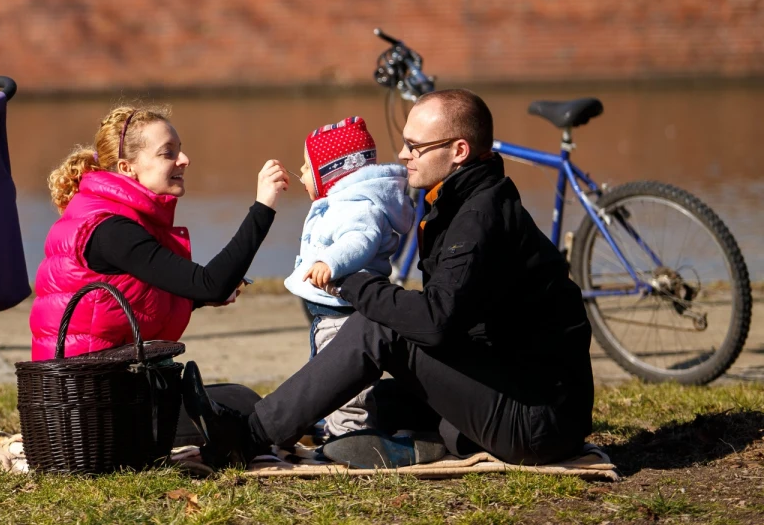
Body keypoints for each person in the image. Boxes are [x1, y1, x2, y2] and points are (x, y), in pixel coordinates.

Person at [185, 89, 594, 469]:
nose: (401, 154)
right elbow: (454, 319)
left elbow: (434, 323)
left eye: (415, 146)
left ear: (459, 151)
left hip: (535, 420)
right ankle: (419, 442)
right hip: (512, 388)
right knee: (370, 402)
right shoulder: (463, 201)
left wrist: (351, 281)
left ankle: (247, 436)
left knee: (377, 325)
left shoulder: (478, 219)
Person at [29, 104, 288, 360]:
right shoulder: (111, 229)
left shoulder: (108, 213)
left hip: (93, 377)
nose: (184, 160)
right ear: (127, 168)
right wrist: (263, 207)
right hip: (87, 387)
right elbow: (211, 284)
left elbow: (132, 299)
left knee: (231, 398)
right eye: (168, 153)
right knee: (239, 400)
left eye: (180, 149)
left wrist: (195, 299)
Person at [283, 116, 415, 440]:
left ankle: (351, 436)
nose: (300, 172)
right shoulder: (341, 202)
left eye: (305, 166)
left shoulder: (357, 206)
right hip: (331, 311)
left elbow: (359, 240)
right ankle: (334, 428)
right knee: (325, 374)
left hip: (345, 313)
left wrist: (330, 261)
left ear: (331, 171)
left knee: (344, 383)